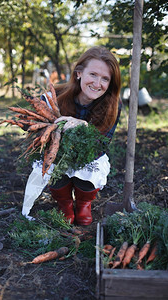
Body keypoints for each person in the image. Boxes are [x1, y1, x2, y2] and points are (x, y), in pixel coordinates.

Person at [43, 46, 122, 226]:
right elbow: (28, 127)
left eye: (105, 79)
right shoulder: (55, 96)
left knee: (93, 164)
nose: (97, 83)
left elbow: (100, 146)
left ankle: (83, 203)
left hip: (87, 154)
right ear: (79, 73)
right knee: (47, 160)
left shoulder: (112, 106)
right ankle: (64, 203)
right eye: (93, 74)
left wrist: (83, 127)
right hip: (58, 153)